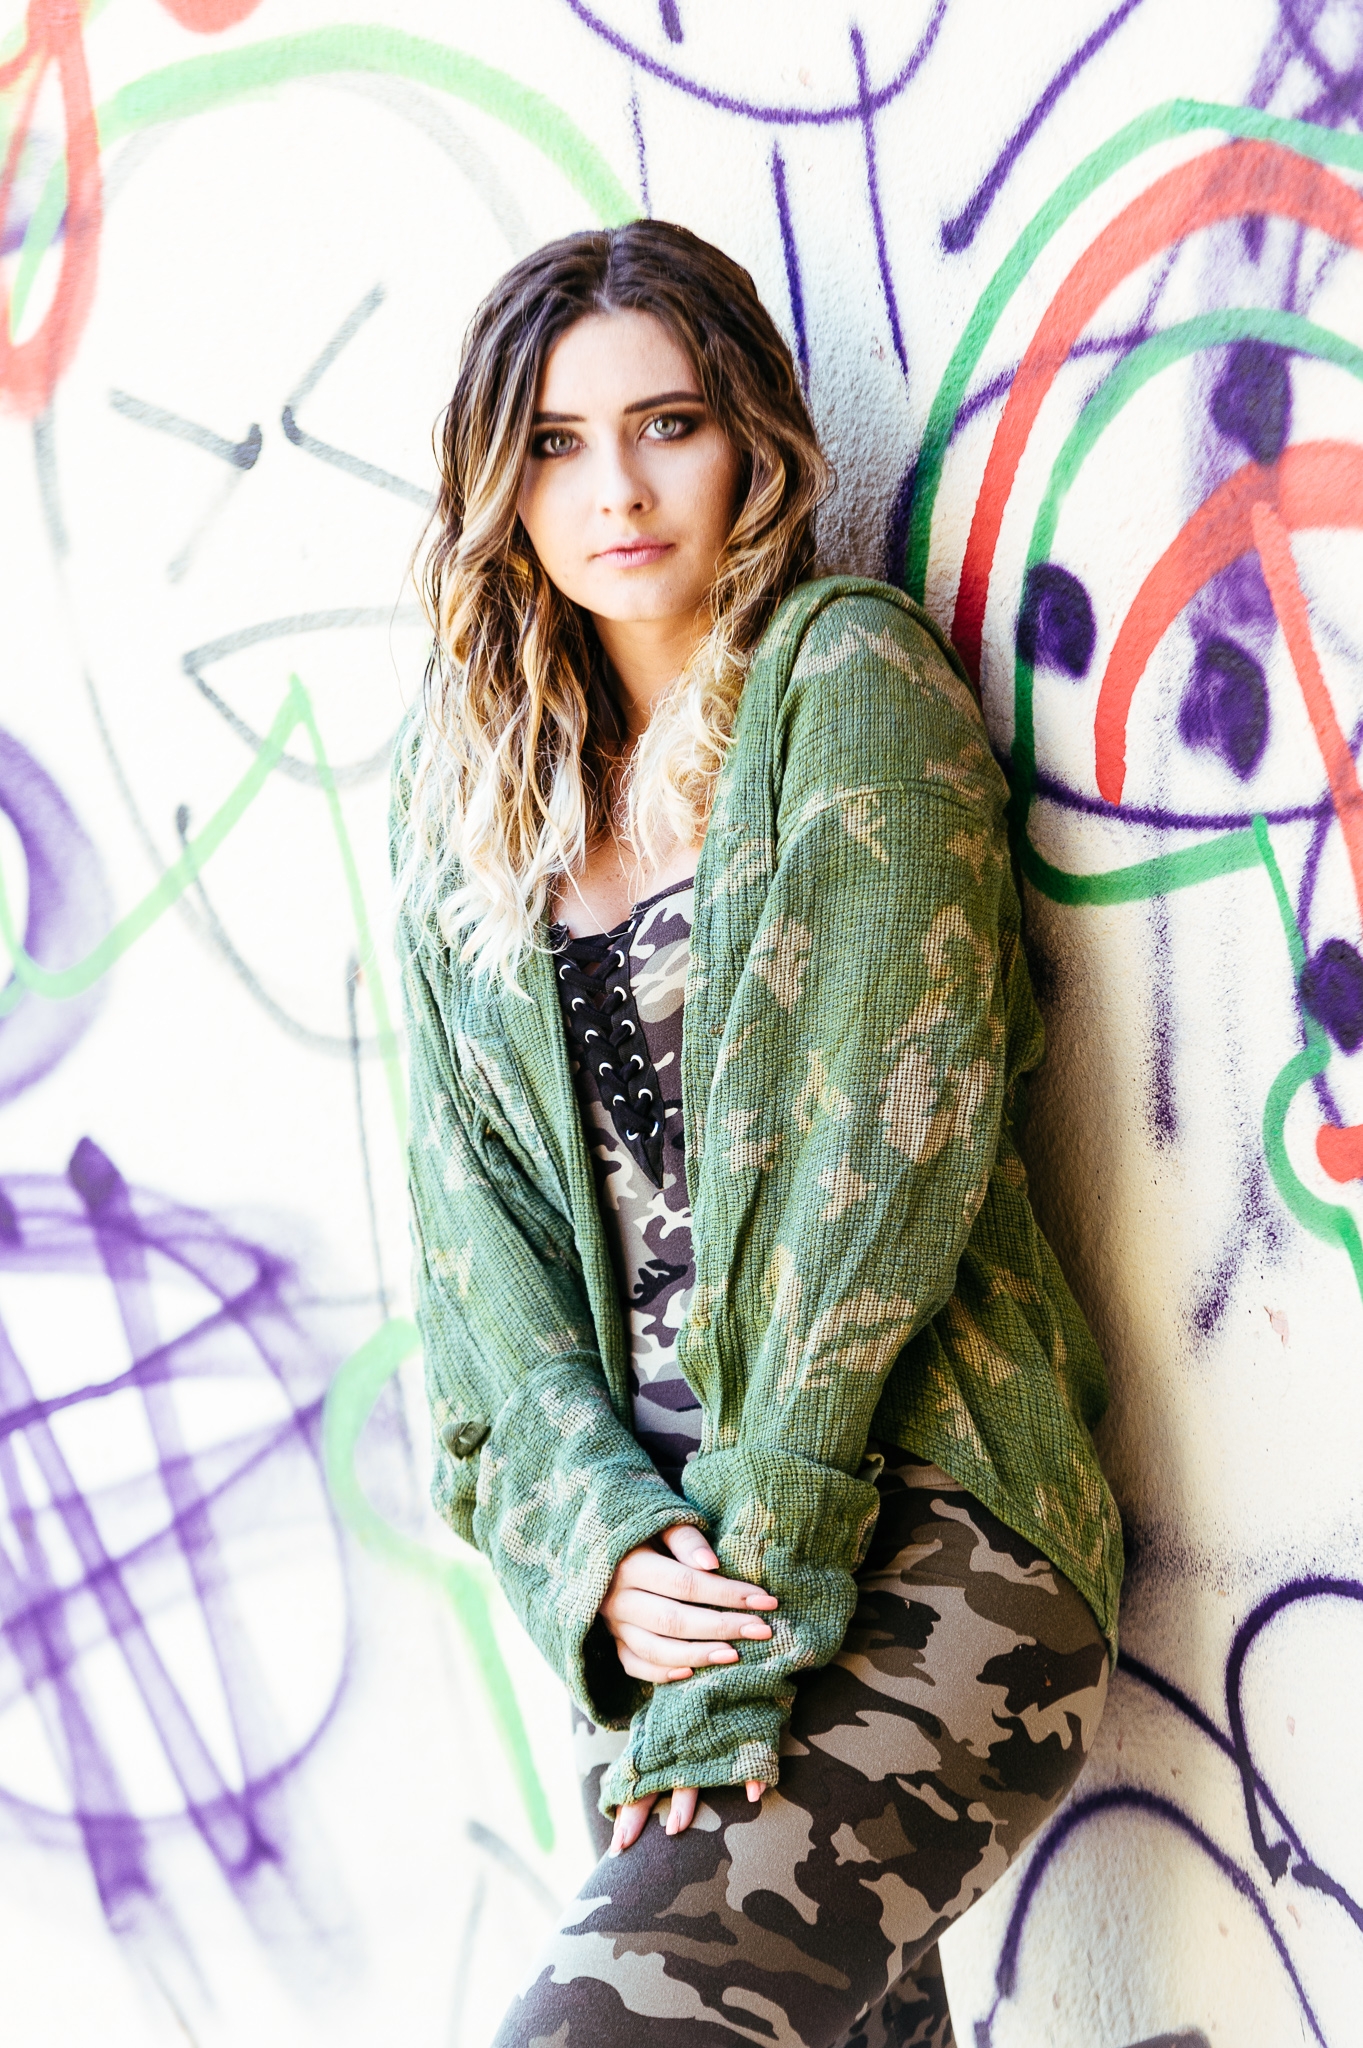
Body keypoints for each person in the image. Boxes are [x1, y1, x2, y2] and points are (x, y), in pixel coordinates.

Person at [391, 220, 1123, 2048]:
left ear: (754, 444)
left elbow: (876, 1182)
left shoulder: (843, 687)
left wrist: (744, 1621)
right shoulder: (468, 801)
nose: (619, 491)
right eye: (555, 443)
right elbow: (476, 1276)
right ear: (498, 485)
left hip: (922, 1546)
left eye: (669, 425)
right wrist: (601, 1553)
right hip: (676, 1601)